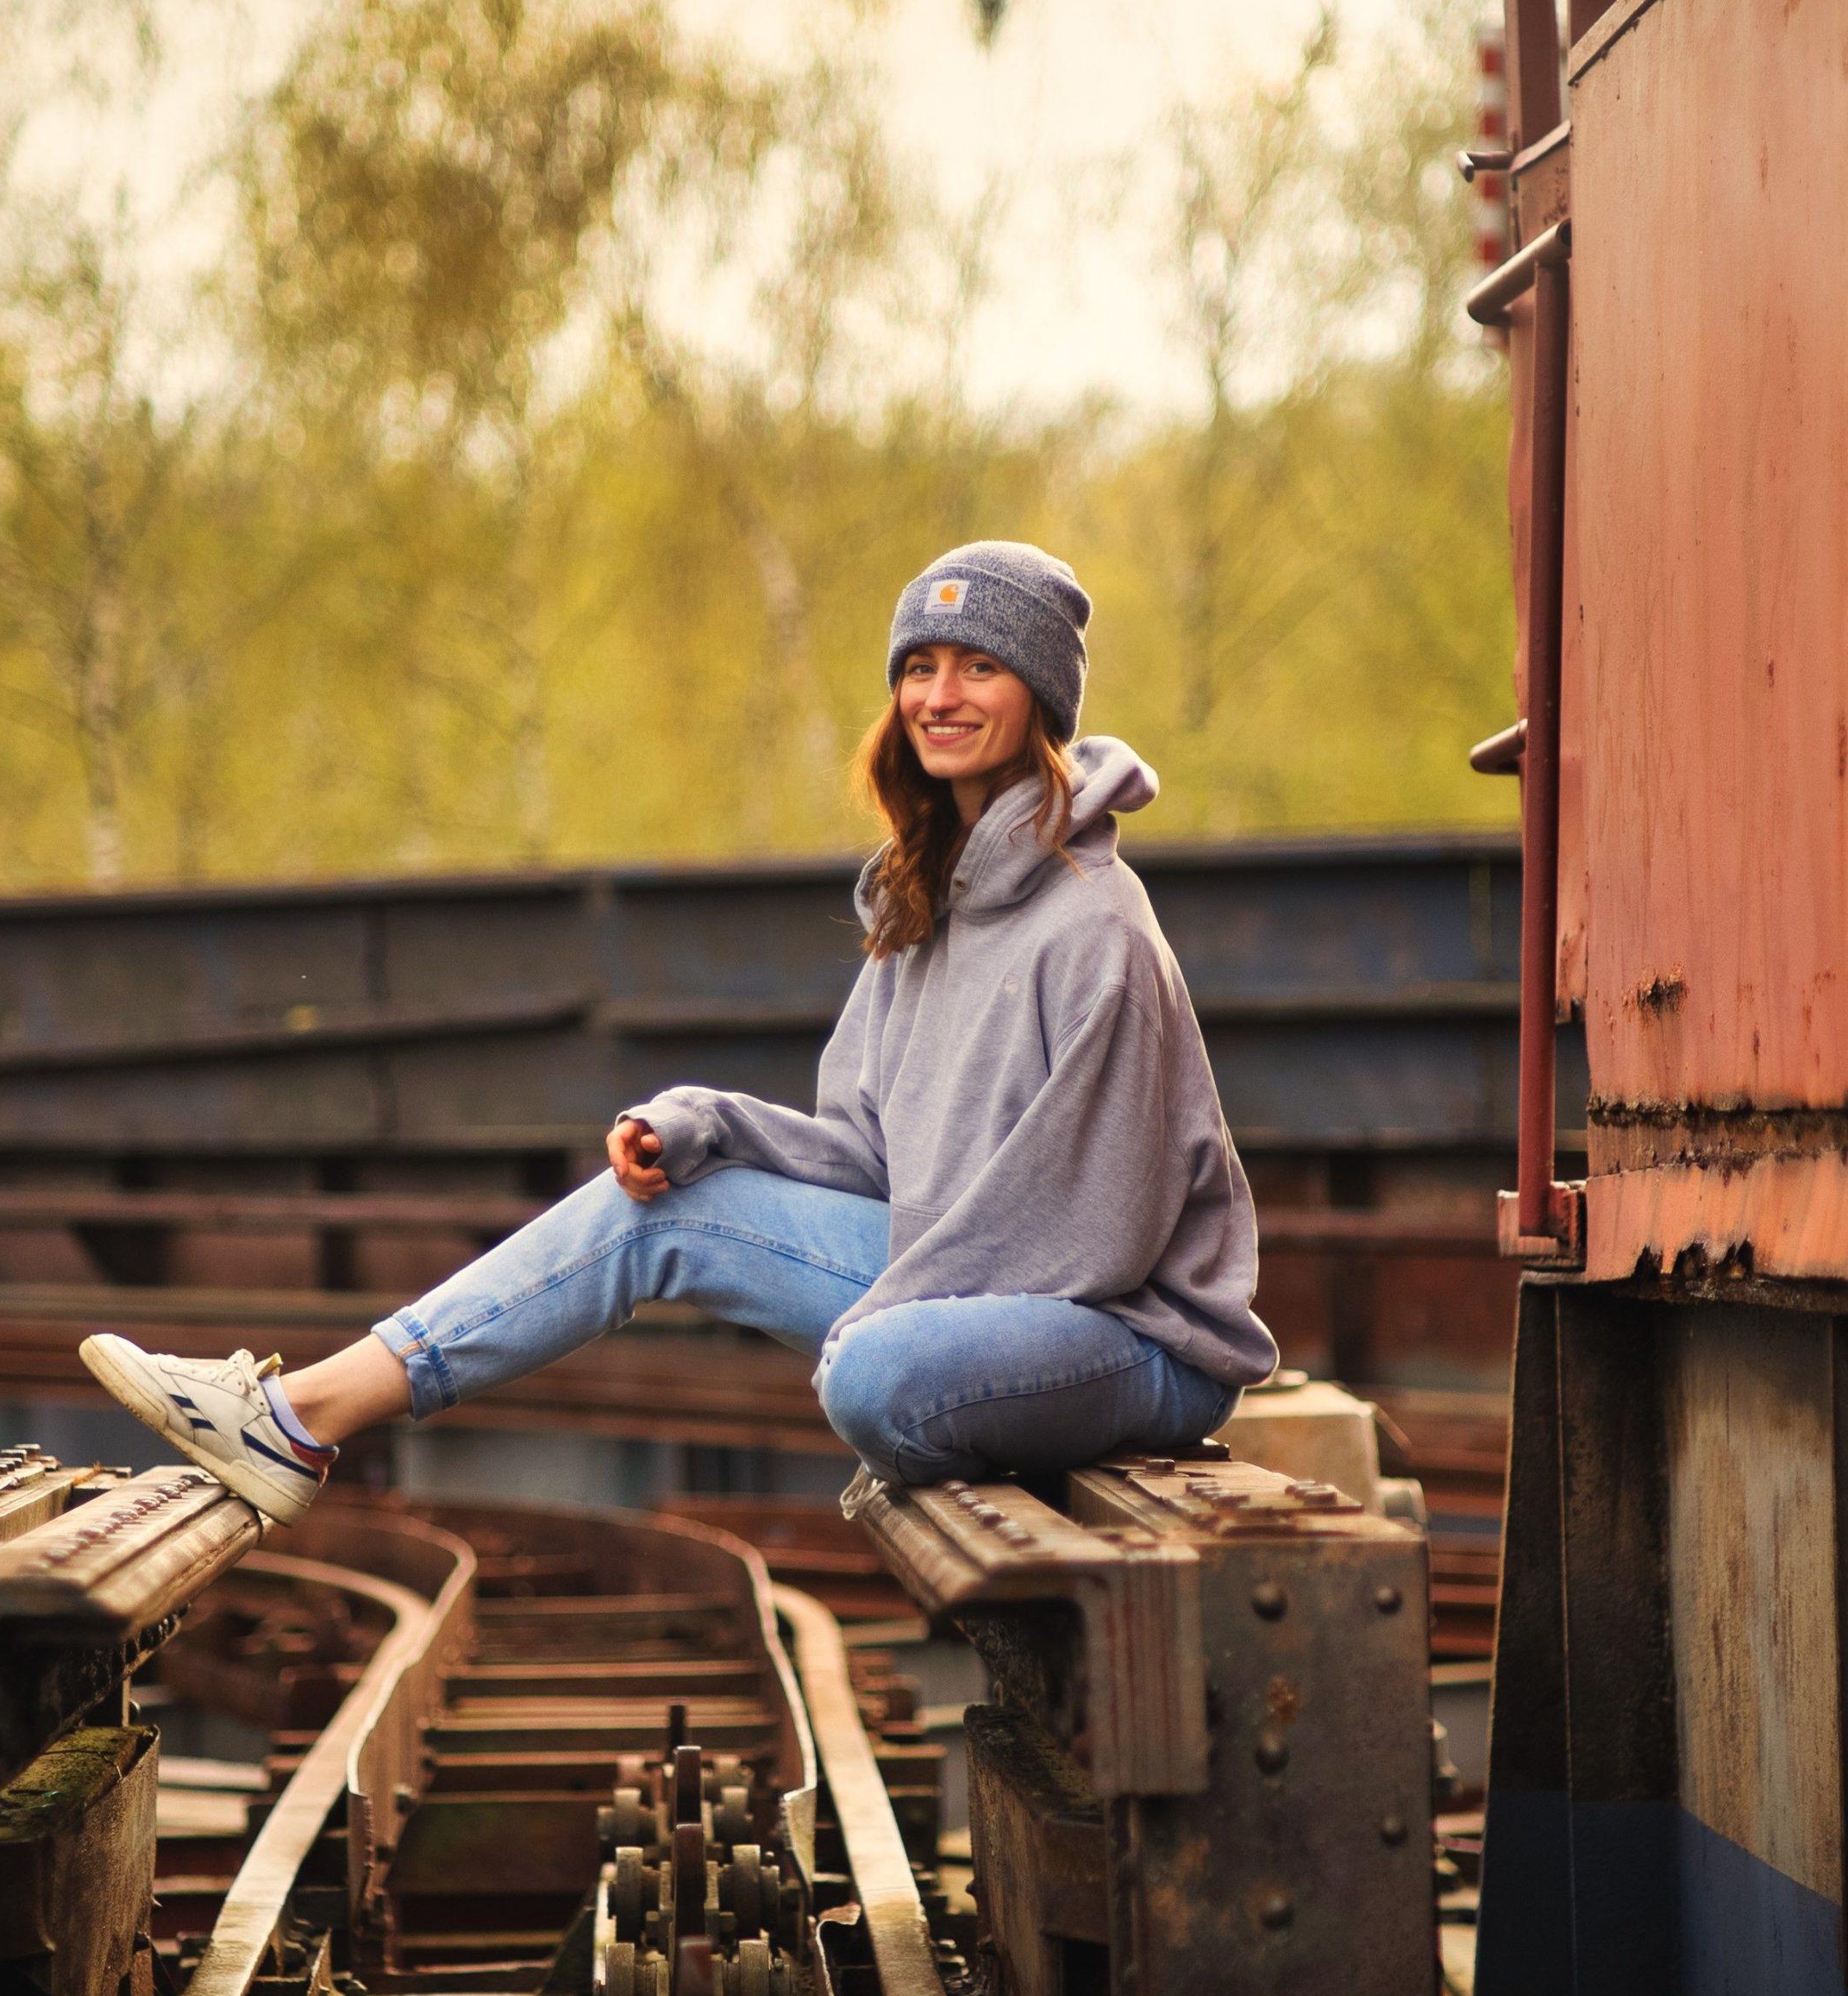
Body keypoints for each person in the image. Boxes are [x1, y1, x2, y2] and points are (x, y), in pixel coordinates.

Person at [79, 540, 1277, 1525]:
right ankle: (297, 1422)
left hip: (1122, 1330)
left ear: (1041, 699)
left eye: (979, 667)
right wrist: (703, 1126)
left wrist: (894, 1324)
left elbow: (1094, 1233)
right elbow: (871, 1156)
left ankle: (927, 1400)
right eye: (920, 667)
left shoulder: (1097, 928)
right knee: (663, 1208)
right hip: (962, 1279)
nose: (940, 697)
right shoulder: (928, 904)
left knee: (876, 1373)